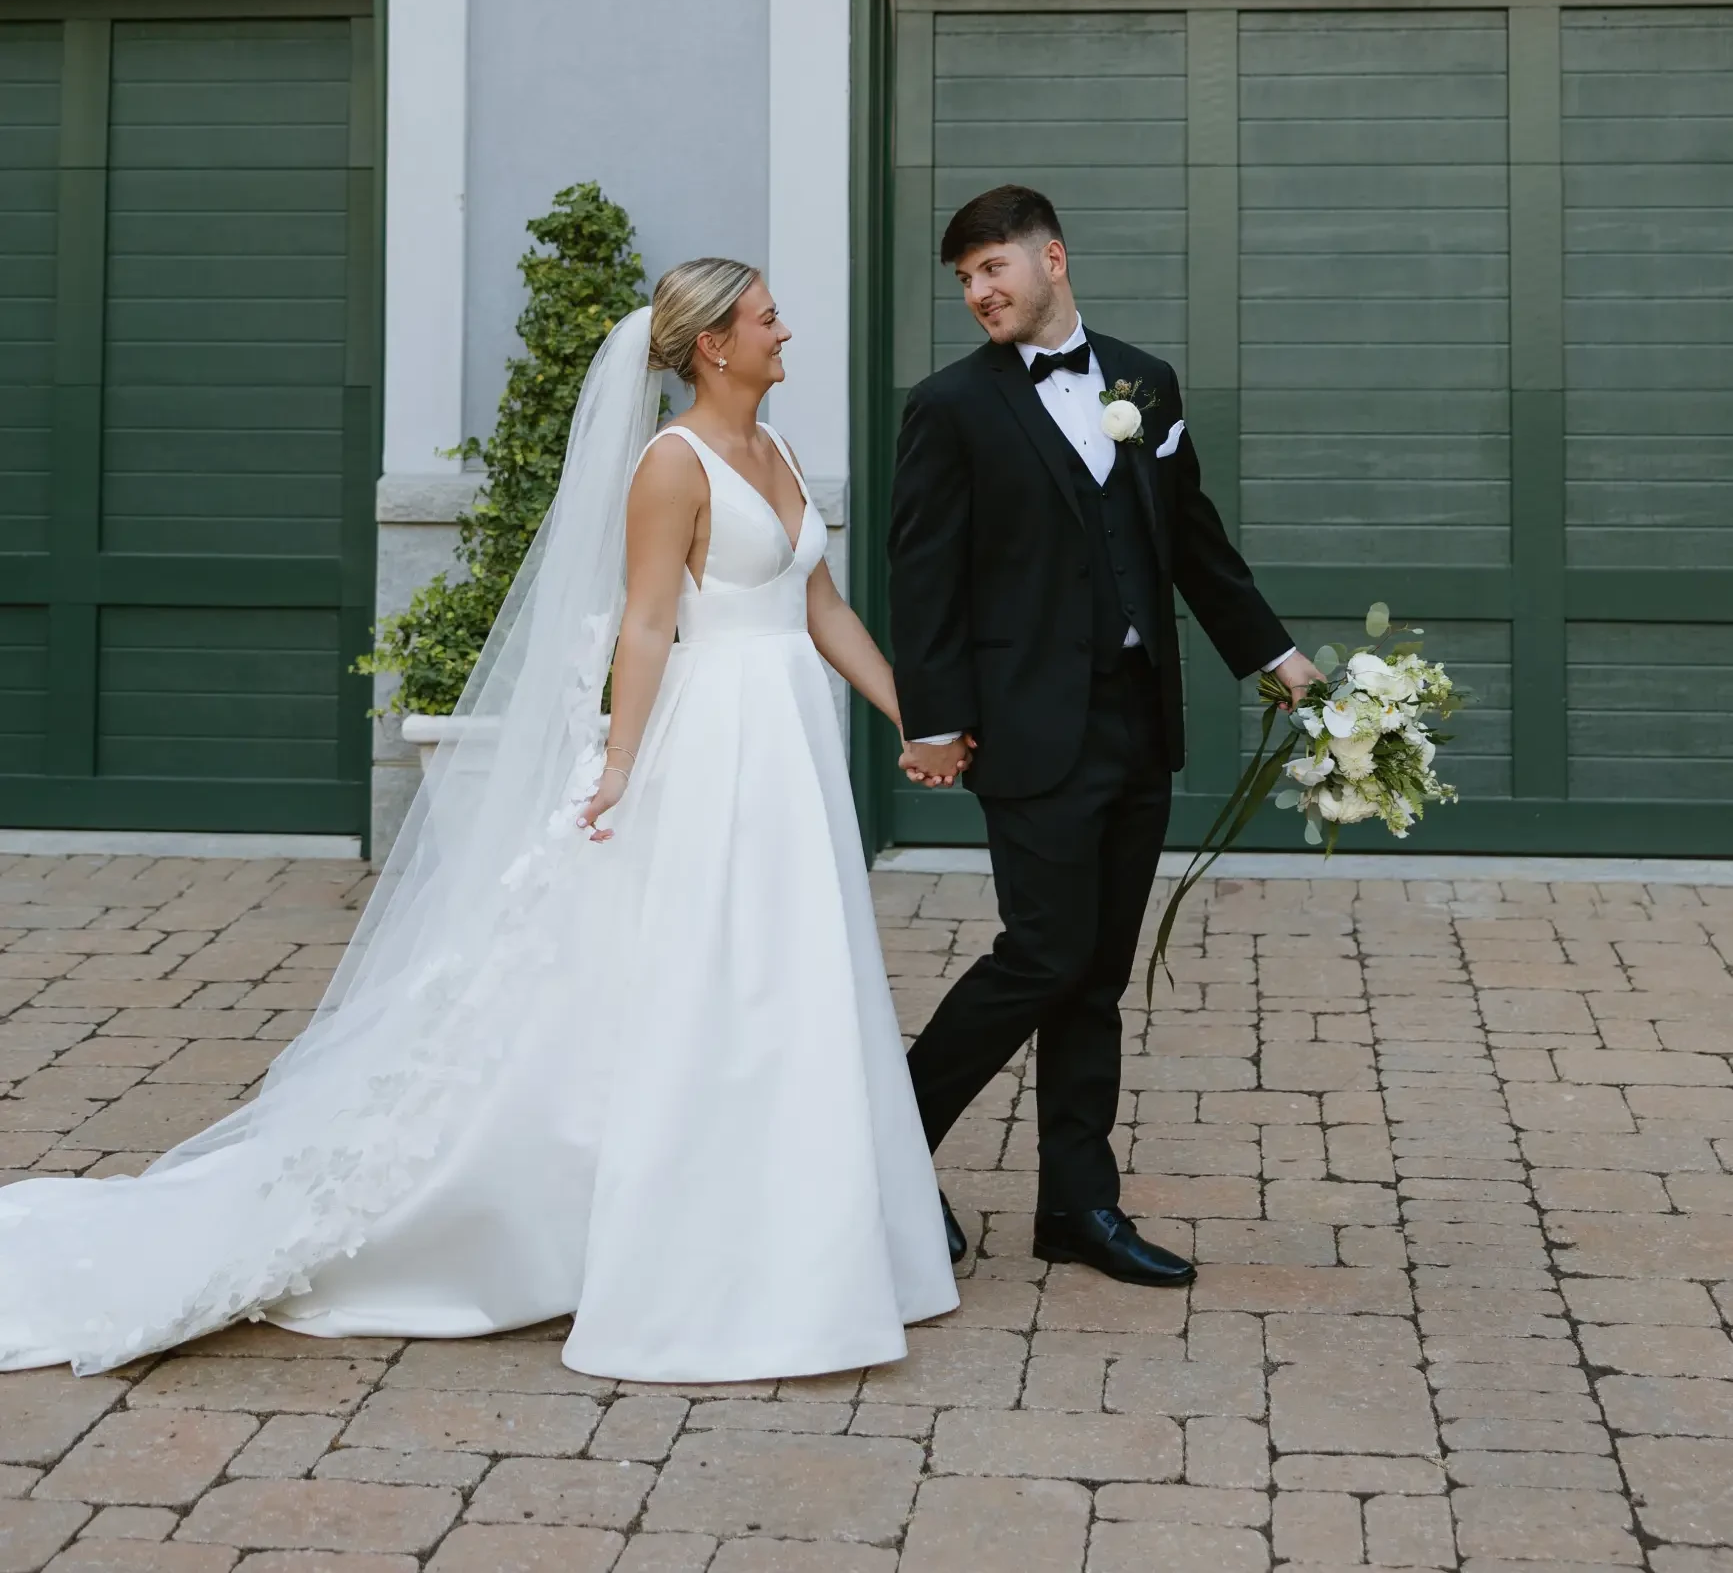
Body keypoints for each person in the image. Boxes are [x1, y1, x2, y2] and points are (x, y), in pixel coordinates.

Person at [0, 263, 956, 1381]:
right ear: (710, 344)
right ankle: (694, 1243)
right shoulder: (671, 465)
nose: (783, 328)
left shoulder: (781, 451)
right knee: (715, 974)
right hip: (714, 751)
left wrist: (917, 717)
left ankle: (814, 1225)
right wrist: (619, 764)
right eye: (763, 317)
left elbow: (821, 604)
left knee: (798, 968)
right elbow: (646, 627)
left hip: (790, 742)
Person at [889, 186, 1316, 1286]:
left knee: (1094, 974)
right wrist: (933, 719)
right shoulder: (949, 406)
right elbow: (921, 575)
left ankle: (1078, 1205)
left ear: (1052, 257)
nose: (978, 291)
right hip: (1027, 730)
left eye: (992, 267)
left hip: (1134, 722)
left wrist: (1273, 657)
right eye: (964, 278)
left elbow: (1193, 544)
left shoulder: (1141, 381)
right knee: (1040, 952)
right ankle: (880, 1147)